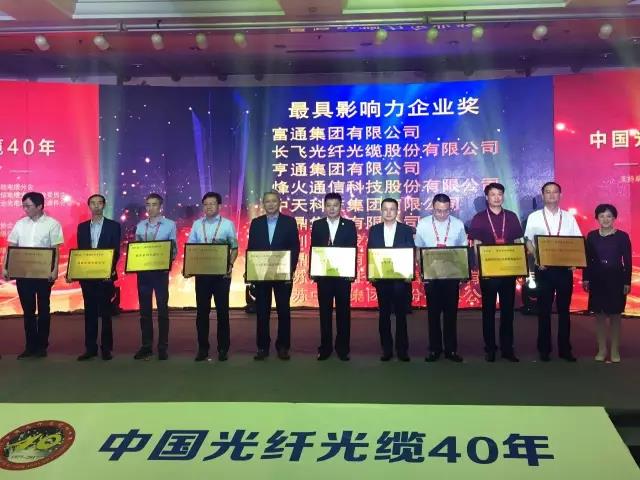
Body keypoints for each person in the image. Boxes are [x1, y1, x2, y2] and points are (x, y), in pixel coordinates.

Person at [524, 182, 582, 362]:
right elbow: (528, 241)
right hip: (544, 269)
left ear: (560, 195)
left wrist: (575, 261)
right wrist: (537, 258)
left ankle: (565, 349)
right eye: (547, 192)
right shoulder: (534, 217)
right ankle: (544, 349)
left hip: (564, 270)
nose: (551, 195)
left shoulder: (569, 217)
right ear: (542, 196)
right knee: (544, 310)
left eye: (555, 192)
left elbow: (577, 241)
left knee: (564, 310)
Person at [4, 192, 63, 359]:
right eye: (23, 206)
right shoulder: (20, 224)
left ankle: (42, 346)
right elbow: (11, 247)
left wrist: (54, 270)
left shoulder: (52, 224)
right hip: (23, 273)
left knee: (44, 309)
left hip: (44, 274)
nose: (25, 209)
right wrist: (5, 267)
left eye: (28, 206)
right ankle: (30, 346)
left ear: (39, 206)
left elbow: (55, 249)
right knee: (28, 311)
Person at [470, 183, 524, 362]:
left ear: (503, 196)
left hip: (508, 270)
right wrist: (481, 267)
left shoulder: (511, 216)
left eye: (499, 194)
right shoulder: (479, 218)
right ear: (487, 197)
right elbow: (476, 244)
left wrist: (519, 266)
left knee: (508, 311)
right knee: (488, 311)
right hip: (489, 272)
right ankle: (490, 348)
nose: (496, 197)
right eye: (492, 194)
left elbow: (518, 242)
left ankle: (508, 348)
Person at [185, 192, 238, 362]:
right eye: (206, 204)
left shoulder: (227, 225)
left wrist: (230, 265)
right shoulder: (197, 225)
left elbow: (234, 248)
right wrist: (188, 267)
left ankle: (223, 349)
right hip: (202, 275)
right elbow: (191, 248)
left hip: (222, 275)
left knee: (223, 312)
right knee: (202, 313)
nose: (209, 207)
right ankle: (203, 349)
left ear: (219, 206)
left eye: (212, 204)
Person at [247, 191, 300, 360]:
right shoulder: (256, 223)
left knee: (283, 311)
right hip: (261, 273)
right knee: (262, 312)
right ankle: (262, 347)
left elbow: (295, 247)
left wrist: (290, 269)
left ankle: (283, 347)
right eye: (267, 201)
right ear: (263, 204)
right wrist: (251, 271)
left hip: (282, 273)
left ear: (279, 203)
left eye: (274, 201)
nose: (270, 204)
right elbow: (251, 248)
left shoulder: (289, 222)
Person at [415, 193, 467, 363]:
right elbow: (418, 249)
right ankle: (434, 349)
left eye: (445, 211)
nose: (442, 214)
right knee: (433, 314)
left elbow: (463, 249)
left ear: (450, 208)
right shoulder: (423, 224)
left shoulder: (458, 224)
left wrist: (462, 272)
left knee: (451, 314)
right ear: (433, 208)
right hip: (432, 275)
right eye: (438, 211)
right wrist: (422, 271)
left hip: (452, 275)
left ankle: (451, 349)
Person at [311, 193, 357, 361]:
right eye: (328, 205)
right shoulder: (318, 225)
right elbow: (314, 249)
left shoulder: (349, 225)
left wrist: (351, 273)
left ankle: (343, 348)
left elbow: (353, 249)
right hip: (324, 276)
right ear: (324, 207)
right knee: (325, 313)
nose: (332, 208)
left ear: (340, 206)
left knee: (344, 313)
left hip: (343, 276)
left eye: (335, 205)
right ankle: (325, 348)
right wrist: (314, 271)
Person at [582, 204, 631, 363]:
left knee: (616, 316)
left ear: (614, 218)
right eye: (602, 216)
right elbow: (587, 259)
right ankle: (602, 349)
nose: (605, 219)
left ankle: (615, 350)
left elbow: (627, 261)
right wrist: (586, 278)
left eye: (609, 216)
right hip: (597, 280)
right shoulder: (591, 236)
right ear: (597, 218)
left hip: (616, 280)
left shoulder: (622, 236)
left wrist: (627, 281)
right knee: (600, 316)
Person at [367, 198, 415, 362]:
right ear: (381, 211)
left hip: (400, 280)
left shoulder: (406, 230)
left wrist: (409, 273)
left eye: (392, 209)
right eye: (385, 209)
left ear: (397, 211)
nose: (388, 212)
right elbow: (370, 252)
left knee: (401, 315)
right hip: (382, 279)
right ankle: (386, 349)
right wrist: (372, 273)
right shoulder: (374, 230)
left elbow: (411, 251)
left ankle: (402, 350)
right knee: (384, 315)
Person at [75, 194, 121, 361]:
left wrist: (108, 270)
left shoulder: (113, 226)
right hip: (87, 277)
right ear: (89, 206)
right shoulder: (82, 227)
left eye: (99, 203)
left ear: (104, 205)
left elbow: (116, 251)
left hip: (105, 277)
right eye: (93, 203)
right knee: (90, 313)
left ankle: (106, 349)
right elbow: (81, 253)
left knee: (106, 314)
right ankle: (90, 348)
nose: (96, 206)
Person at [133, 193, 177, 360]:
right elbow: (136, 249)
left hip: (160, 273)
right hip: (143, 273)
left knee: (162, 310)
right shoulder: (140, 226)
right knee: (144, 311)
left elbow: (173, 249)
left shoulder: (170, 225)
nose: (150, 208)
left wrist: (166, 261)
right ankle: (146, 346)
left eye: (154, 204)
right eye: (148, 205)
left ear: (160, 207)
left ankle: (162, 347)